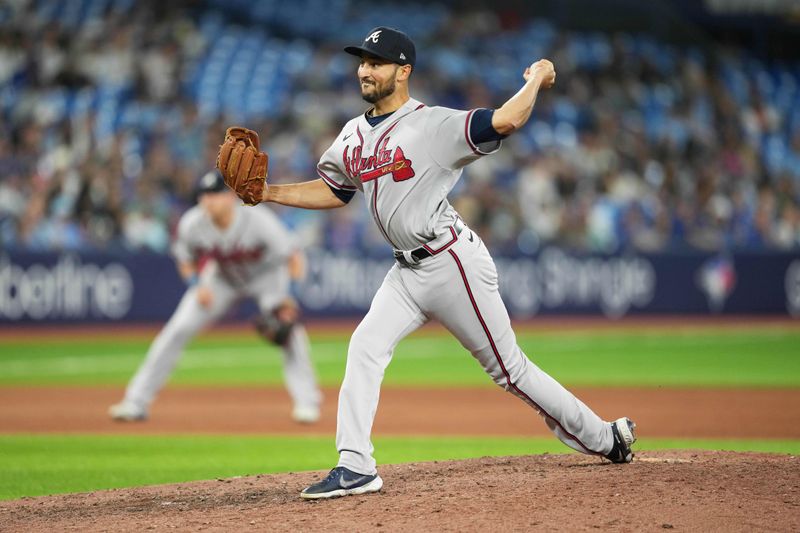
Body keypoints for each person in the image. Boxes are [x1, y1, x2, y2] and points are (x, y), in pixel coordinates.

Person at [218, 26, 637, 500]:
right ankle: (355, 466)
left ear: (403, 71)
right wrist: (270, 192)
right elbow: (336, 190)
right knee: (365, 347)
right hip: (406, 271)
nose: (364, 70)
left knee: (510, 370)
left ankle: (606, 438)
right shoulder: (353, 134)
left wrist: (537, 77)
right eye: (362, 61)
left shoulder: (432, 125)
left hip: (451, 261)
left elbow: (506, 120)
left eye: (375, 62)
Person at [109, 170, 322, 424]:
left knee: (289, 331)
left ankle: (307, 402)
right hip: (222, 278)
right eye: (204, 195)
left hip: (267, 276)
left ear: (231, 196)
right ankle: (135, 402)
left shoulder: (258, 220)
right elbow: (185, 260)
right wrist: (196, 284)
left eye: (215, 194)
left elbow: (293, 256)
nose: (208, 200)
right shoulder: (192, 223)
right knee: (177, 329)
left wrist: (289, 298)